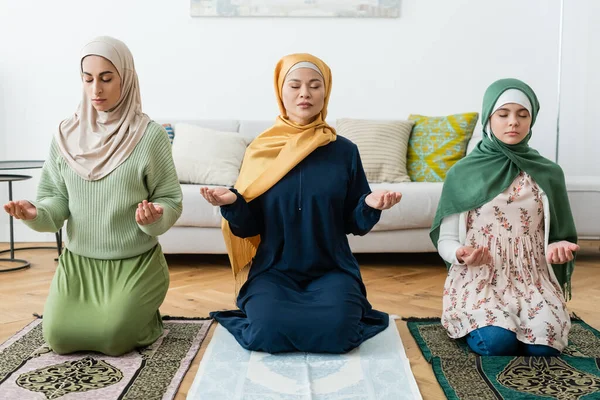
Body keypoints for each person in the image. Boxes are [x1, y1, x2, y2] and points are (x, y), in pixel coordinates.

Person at [200, 53, 401, 353]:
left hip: (332, 269)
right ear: (281, 92)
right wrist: (232, 203)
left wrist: (370, 204)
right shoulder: (261, 149)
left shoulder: (344, 151)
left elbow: (354, 224)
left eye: (314, 85)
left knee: (340, 334)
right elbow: (248, 227)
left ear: (326, 91)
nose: (304, 93)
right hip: (273, 271)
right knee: (266, 332)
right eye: (294, 85)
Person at [3, 36, 182, 356]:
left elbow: (170, 199)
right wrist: (34, 213)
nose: (96, 89)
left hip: (136, 263)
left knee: (113, 338)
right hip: (79, 263)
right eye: (88, 79)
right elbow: (55, 202)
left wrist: (154, 217)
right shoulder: (64, 135)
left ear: (125, 79)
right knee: (59, 337)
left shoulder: (150, 136)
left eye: (106, 78)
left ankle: (148, 319)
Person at [430, 78, 578, 356]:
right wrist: (461, 254)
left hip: (533, 278)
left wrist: (557, 249)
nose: (513, 122)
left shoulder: (548, 172)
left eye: (523, 115)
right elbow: (446, 239)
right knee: (497, 343)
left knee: (545, 348)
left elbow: (557, 236)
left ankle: (523, 327)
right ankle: (485, 324)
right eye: (503, 114)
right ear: (488, 118)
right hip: (481, 278)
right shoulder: (463, 172)